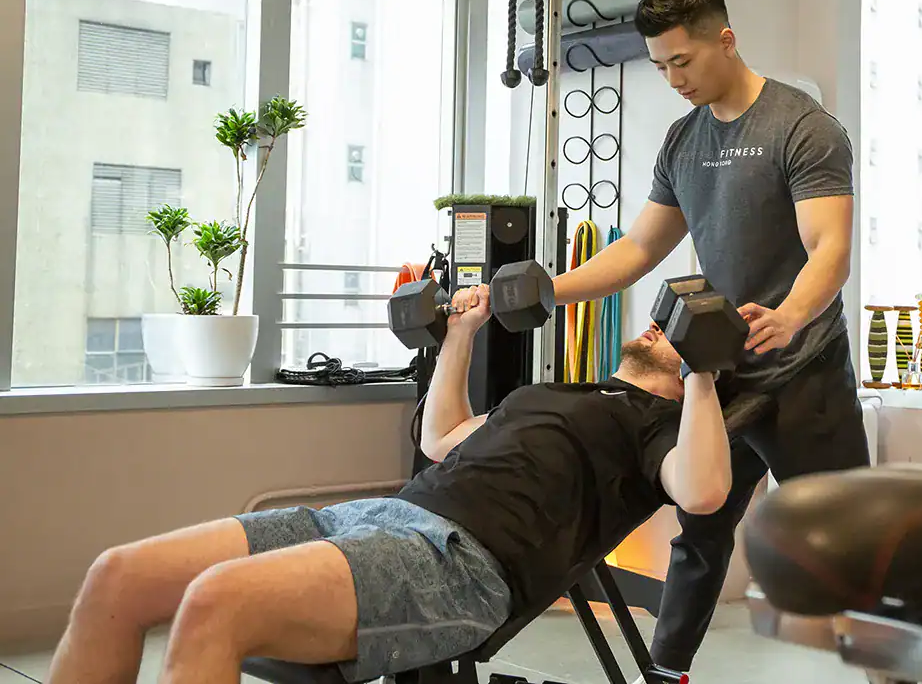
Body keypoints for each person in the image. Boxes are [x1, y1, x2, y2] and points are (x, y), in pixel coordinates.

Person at [48, 285, 731, 684]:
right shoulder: (554, 392)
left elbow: (702, 492)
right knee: (118, 575)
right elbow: (442, 438)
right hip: (377, 515)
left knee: (213, 601)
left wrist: (703, 372)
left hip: (459, 562)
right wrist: (460, 334)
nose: (655, 321)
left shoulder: (661, 426)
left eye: (673, 327)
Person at [551, 0, 870, 675]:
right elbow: (638, 249)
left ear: (724, 40)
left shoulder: (802, 126)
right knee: (699, 532)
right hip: (719, 376)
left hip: (803, 372)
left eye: (682, 62)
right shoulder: (682, 140)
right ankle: (666, 675)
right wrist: (552, 288)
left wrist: (788, 315)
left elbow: (832, 249)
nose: (671, 79)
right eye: (660, 65)